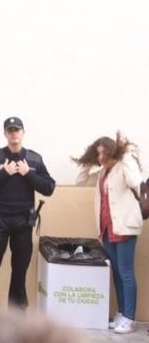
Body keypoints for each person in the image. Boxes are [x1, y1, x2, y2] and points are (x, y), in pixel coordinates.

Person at [0, 116, 55, 308]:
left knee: (19, 271)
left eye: (17, 130)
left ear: (23, 133)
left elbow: (49, 188)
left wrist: (28, 173)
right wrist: (3, 173)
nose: (14, 133)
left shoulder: (34, 159)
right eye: (10, 130)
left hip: (23, 221)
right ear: (5, 134)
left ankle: (16, 317)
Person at [74, 133, 142, 334]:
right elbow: (80, 181)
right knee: (117, 273)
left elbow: (135, 180)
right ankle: (122, 313)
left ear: (113, 151)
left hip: (125, 226)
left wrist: (126, 155)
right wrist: (88, 161)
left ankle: (130, 318)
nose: (101, 157)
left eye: (104, 152)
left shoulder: (123, 166)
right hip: (106, 229)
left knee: (126, 271)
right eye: (98, 153)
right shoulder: (102, 173)